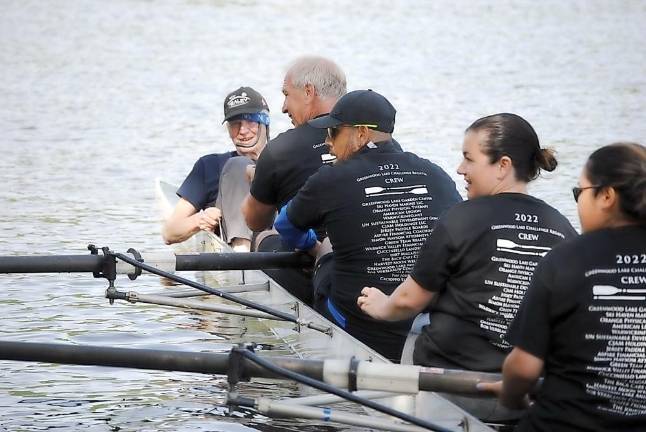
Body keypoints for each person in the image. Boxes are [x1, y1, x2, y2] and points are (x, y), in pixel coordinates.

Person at [358, 113, 577, 370]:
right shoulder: (563, 228)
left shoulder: (462, 217)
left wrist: (381, 306)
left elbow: (408, 301)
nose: (460, 168)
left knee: (419, 321)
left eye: (469, 159)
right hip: (527, 385)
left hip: (454, 379)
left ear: (503, 166)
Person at [274, 90, 462, 361]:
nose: (327, 142)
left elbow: (286, 227)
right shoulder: (435, 173)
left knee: (324, 249)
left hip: (364, 326)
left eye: (334, 132)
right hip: (432, 323)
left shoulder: (329, 178)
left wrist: (313, 248)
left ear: (361, 134)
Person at [479, 143, 646, 431]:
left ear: (606, 196)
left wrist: (511, 395)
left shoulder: (565, 259)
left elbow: (523, 368)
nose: (577, 201)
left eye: (579, 193)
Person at [241, 56, 346, 301]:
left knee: (265, 236)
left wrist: (258, 180)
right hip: (369, 257)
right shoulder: (374, 140)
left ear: (308, 91)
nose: (283, 107)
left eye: (286, 94)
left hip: (315, 264)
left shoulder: (281, 149)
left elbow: (254, 220)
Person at [162, 86, 270, 251]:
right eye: (235, 124)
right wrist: (200, 219)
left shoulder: (284, 157)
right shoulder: (209, 166)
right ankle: (240, 252)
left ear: (265, 121)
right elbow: (170, 232)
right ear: (227, 129)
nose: (242, 131)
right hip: (239, 259)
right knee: (239, 165)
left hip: (277, 243)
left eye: (250, 121)